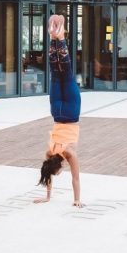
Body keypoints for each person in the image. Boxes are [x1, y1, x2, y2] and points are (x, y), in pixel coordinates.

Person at [34, 15, 84, 208]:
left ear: (59, 166)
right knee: (56, 73)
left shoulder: (69, 154)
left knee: (67, 74)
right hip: (56, 111)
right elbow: (47, 173)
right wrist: (47, 196)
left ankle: (60, 36)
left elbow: (76, 179)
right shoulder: (49, 152)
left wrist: (77, 199)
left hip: (71, 113)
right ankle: (53, 37)